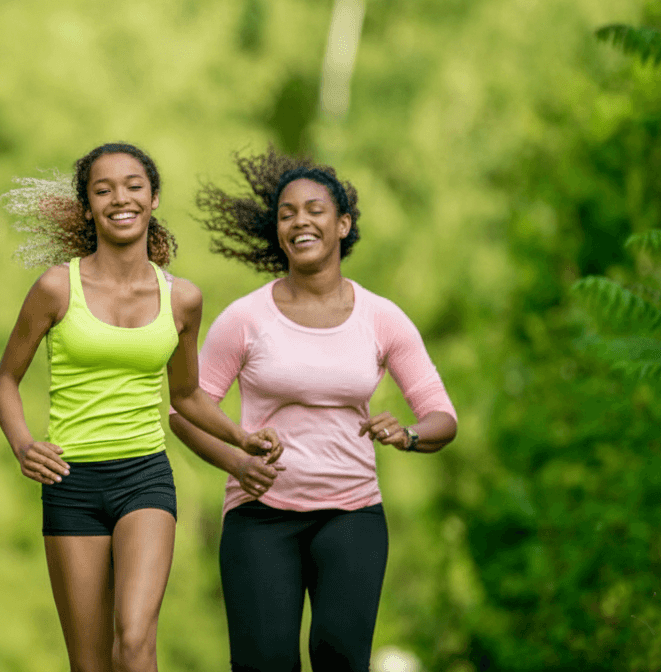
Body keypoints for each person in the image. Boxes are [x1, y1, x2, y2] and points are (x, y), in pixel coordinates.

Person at [0, 142, 282, 672]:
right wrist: (23, 444)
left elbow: (187, 396)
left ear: (152, 198)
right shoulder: (57, 288)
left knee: (135, 638)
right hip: (70, 483)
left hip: (143, 476)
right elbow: (6, 380)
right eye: (103, 190)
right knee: (90, 663)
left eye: (133, 186)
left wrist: (241, 438)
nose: (119, 198)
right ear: (87, 207)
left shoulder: (182, 299)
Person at [168, 148, 458, 672]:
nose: (299, 221)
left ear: (343, 224)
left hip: (352, 514)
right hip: (259, 518)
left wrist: (409, 435)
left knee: (338, 657)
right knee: (265, 664)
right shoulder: (244, 319)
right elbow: (185, 410)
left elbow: (442, 416)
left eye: (314, 210)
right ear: (278, 231)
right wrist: (237, 460)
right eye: (286, 214)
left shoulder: (381, 318)